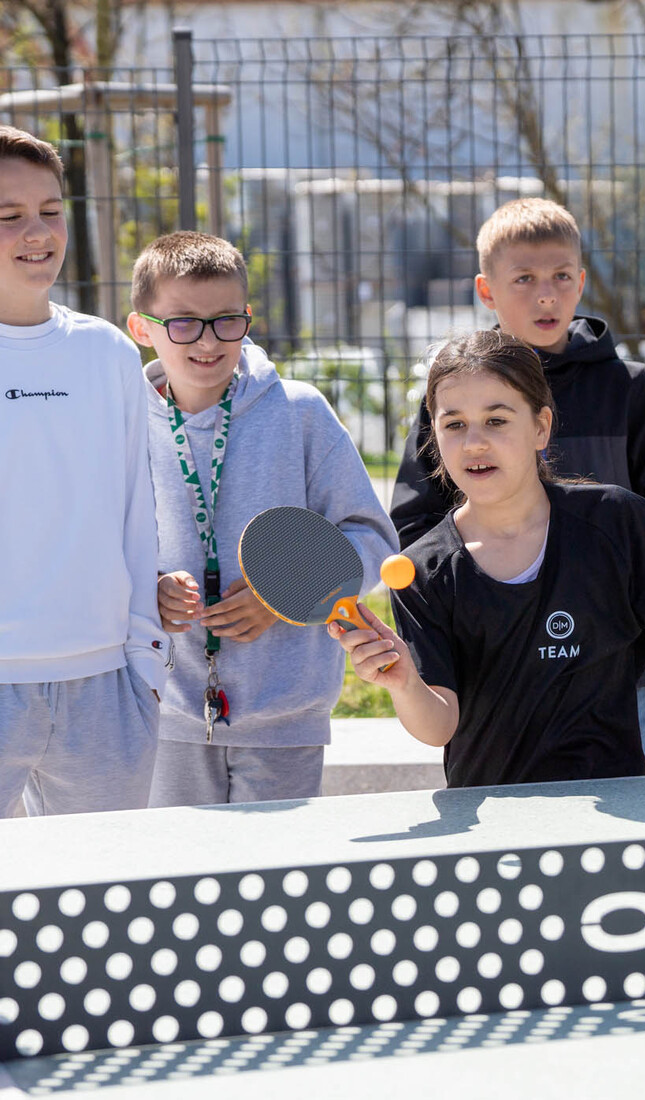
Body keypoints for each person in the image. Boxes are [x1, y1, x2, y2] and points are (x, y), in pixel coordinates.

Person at [334, 330, 645, 788]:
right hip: (498, 824)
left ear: (541, 427)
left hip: (621, 802)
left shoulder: (617, 521)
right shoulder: (422, 570)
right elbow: (439, 725)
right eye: (454, 424)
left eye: (496, 420)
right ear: (434, 437)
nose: (475, 441)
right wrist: (405, 684)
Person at [389, 197, 645, 773]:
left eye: (561, 276)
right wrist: (493, 588)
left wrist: (611, 580)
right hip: (493, 668)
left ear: (581, 282)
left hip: (613, 664)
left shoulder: (628, 387)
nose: (545, 295)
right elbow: (415, 527)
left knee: (629, 796)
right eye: (524, 279)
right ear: (486, 290)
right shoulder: (453, 392)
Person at [128, 231, 399, 806]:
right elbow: (98, 552)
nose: (208, 341)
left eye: (226, 320)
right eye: (183, 323)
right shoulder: (122, 422)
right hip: (163, 713)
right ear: (142, 329)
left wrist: (282, 595)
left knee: (277, 864)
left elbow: (372, 538)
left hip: (285, 714)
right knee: (177, 863)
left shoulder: (299, 412)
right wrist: (148, 592)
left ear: (247, 318)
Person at [0, 126, 169, 817]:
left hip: (106, 686)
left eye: (50, 210)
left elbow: (137, 514)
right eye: (10, 215)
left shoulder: (106, 352)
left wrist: (145, 669)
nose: (37, 232)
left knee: (104, 887)